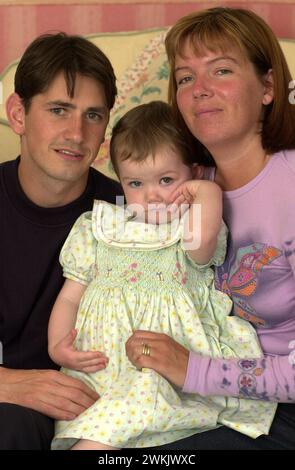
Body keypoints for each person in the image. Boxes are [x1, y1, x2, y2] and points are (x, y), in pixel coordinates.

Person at [48, 101, 276, 450]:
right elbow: (69, 295)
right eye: (136, 182)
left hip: (163, 368)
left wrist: (206, 192)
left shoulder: (190, 226)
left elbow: (201, 246)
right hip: (102, 365)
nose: (152, 195)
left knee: (108, 431)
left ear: (194, 174)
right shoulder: (98, 227)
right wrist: (58, 346)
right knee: (94, 426)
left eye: (167, 180)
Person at [126, 7, 295, 450]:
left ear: (267, 87)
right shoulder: (182, 186)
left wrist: (193, 369)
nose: (200, 90)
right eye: (185, 78)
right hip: (215, 397)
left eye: (220, 70)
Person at [0, 32, 123, 450]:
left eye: (93, 115)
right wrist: (7, 384)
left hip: (99, 412)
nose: (76, 133)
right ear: (18, 114)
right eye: (58, 110)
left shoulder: (129, 216)